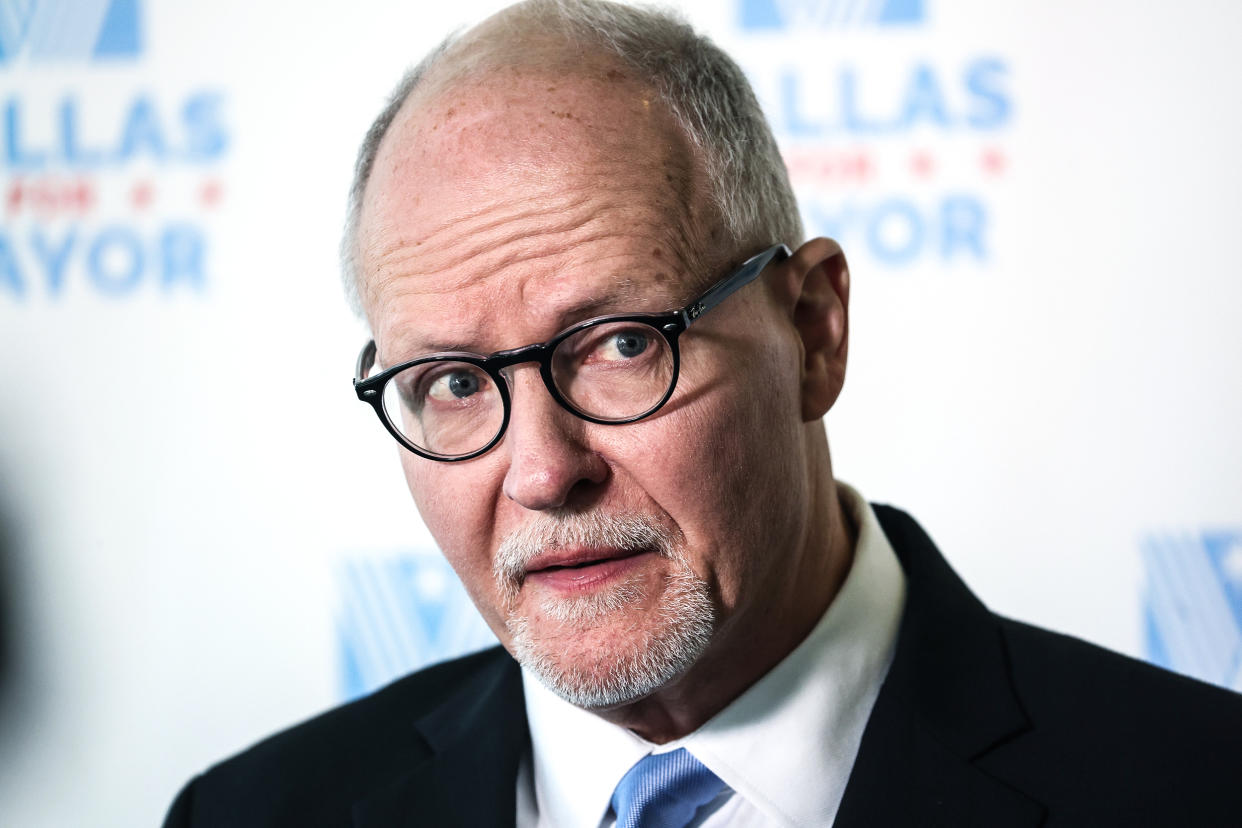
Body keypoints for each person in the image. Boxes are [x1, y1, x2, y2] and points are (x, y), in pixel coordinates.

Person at [163, 2, 1242, 825]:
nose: (542, 471)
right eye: (453, 382)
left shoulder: (1194, 787)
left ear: (815, 332)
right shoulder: (253, 813)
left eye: (623, 345)